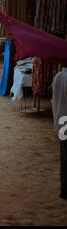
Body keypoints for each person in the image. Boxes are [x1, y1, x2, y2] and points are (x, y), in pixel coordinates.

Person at [52, 67, 67, 199]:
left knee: (64, 157)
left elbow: (54, 102)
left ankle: (64, 189)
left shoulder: (58, 77)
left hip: (62, 121)